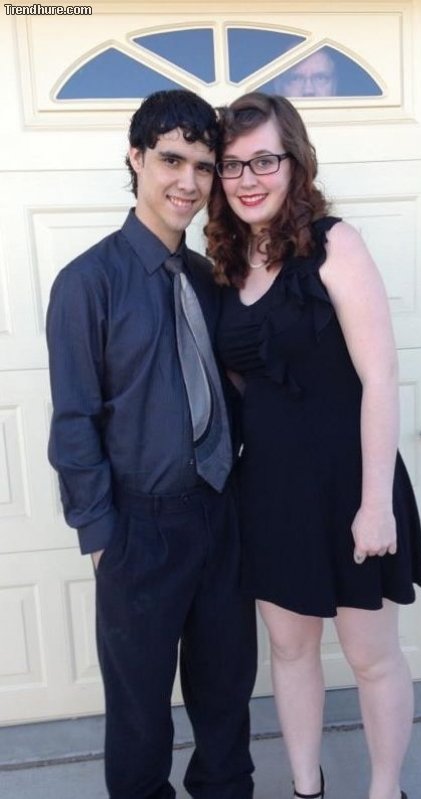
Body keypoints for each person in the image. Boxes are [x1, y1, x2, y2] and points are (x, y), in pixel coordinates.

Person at [206, 92, 421, 799]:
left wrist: (376, 505)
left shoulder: (335, 244)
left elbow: (380, 376)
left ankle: (385, 789)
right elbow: (245, 387)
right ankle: (308, 787)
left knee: (371, 657)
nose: (247, 179)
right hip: (271, 492)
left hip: (352, 484)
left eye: (263, 161)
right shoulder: (227, 265)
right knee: (290, 650)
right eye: (232, 164)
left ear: (295, 161)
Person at [46, 89, 257, 799]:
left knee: (227, 691)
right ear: (135, 158)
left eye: (203, 166)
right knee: (139, 710)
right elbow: (74, 420)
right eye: (171, 159)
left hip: (219, 513)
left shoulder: (207, 279)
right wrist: (102, 536)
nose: (188, 182)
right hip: (140, 526)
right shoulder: (87, 283)